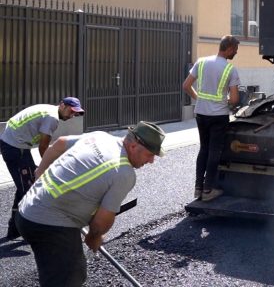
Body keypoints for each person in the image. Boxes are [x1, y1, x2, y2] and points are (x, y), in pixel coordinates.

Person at [16, 121, 165, 287]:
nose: (152, 161)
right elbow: (101, 222)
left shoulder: (99, 137)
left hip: (26, 210)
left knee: (56, 272)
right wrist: (94, 237)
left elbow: (59, 144)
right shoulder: (124, 173)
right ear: (133, 146)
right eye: (150, 154)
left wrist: (40, 172)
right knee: (71, 276)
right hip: (49, 225)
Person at [0, 97, 85, 240]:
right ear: (62, 105)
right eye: (71, 111)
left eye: (75, 114)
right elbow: (43, 147)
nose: (71, 116)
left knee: (26, 185)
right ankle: (30, 230)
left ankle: (14, 230)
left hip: (16, 143)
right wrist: (49, 167)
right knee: (30, 191)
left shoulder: (49, 109)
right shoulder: (52, 118)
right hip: (15, 147)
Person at [183, 35, 241, 202]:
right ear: (229, 48)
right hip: (219, 116)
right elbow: (235, 100)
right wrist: (228, 102)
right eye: (235, 50)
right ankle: (208, 189)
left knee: (204, 149)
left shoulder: (201, 62)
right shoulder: (230, 69)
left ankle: (198, 187)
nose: (235, 53)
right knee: (214, 151)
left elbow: (186, 86)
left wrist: (199, 99)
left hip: (201, 114)